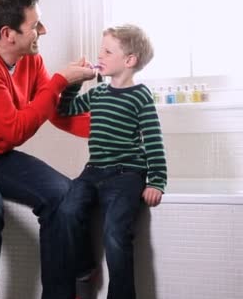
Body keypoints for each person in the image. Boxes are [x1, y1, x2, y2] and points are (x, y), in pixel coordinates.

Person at [0, 0, 97, 299]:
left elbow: (54, 111)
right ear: (8, 33)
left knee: (63, 193)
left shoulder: (30, 59)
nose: (43, 30)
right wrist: (59, 81)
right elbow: (15, 130)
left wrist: (111, 127)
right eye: (35, 25)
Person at [58, 24, 167, 299]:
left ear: (129, 61)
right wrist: (76, 82)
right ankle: (84, 269)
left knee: (115, 233)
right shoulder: (98, 93)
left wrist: (156, 181)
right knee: (67, 209)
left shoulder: (141, 96)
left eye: (108, 51)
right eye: (101, 50)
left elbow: (153, 141)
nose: (100, 55)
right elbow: (65, 109)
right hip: (94, 171)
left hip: (126, 173)